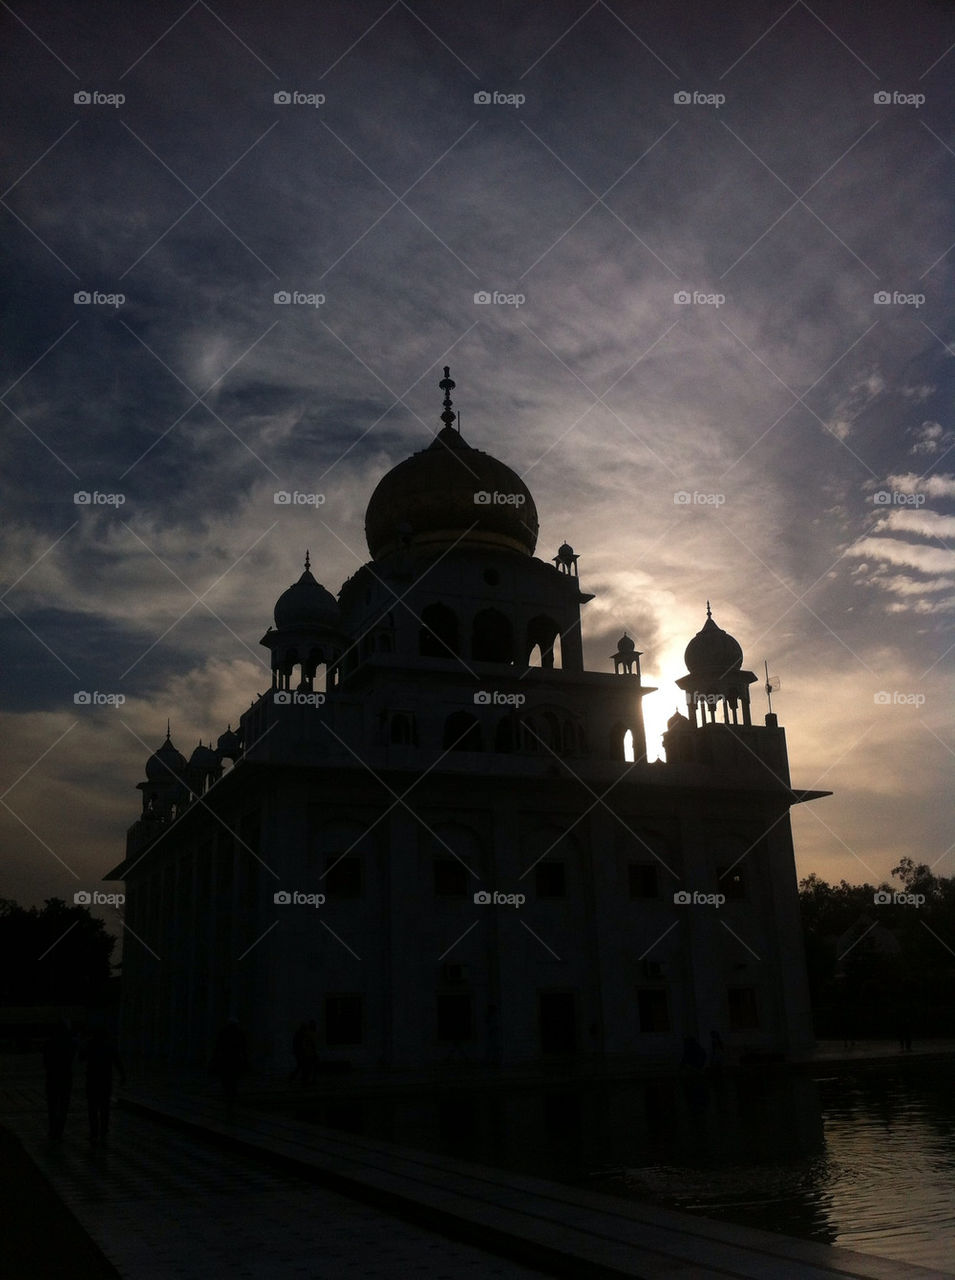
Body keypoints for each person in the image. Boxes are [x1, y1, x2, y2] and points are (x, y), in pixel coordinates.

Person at [83, 1026, 125, 1144]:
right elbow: (117, 1061)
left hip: (92, 1080)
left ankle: (94, 1131)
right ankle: (104, 1129)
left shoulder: (91, 1045)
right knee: (104, 1107)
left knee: (92, 1108)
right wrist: (122, 1075)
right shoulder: (109, 1046)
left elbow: (81, 1057)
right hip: (105, 1080)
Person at [42, 1018, 75, 1141]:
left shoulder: (49, 1043)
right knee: (63, 1106)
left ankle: (53, 1129)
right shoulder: (70, 1043)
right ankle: (59, 1130)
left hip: (52, 1077)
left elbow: (45, 1061)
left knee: (52, 1105)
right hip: (66, 1077)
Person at [210, 1018, 247, 1114]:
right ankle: (232, 1095)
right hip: (234, 1059)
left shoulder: (223, 1032)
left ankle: (229, 1095)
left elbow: (218, 1046)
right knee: (233, 1079)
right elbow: (244, 1047)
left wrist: (215, 1057)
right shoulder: (240, 1033)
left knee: (226, 1079)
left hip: (226, 1059)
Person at [301, 1019, 319, 1086]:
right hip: (310, 1053)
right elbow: (312, 1044)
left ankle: (308, 1079)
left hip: (308, 1053)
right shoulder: (310, 1034)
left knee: (309, 1067)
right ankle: (309, 1079)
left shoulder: (307, 1033)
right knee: (311, 1067)